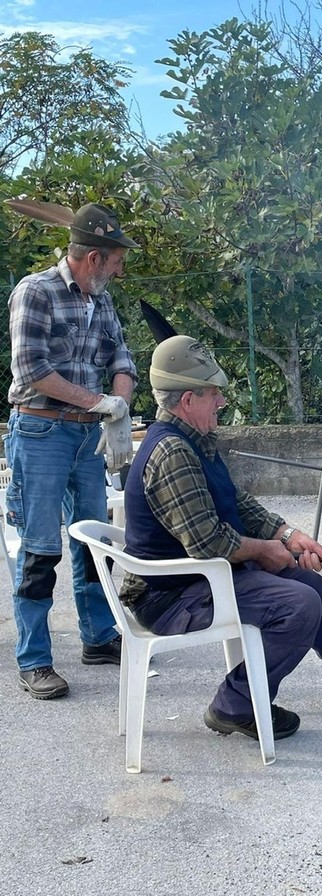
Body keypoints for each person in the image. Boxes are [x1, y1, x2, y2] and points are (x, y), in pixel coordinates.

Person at [120, 335, 322, 742]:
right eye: (214, 394)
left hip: (198, 580)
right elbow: (209, 544)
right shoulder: (172, 452)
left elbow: (238, 504)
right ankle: (235, 705)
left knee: (307, 581)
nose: (222, 402)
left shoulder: (194, 441)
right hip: (172, 596)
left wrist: (289, 535)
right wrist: (266, 551)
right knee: (298, 605)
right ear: (187, 400)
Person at [6, 203, 139, 700]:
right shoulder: (35, 292)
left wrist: (119, 406)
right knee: (40, 547)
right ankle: (35, 660)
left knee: (93, 541)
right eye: (116, 259)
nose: (121, 268)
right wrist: (99, 401)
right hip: (40, 433)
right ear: (93, 258)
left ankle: (99, 637)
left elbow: (121, 356)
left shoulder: (101, 302)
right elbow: (32, 370)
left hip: (88, 438)